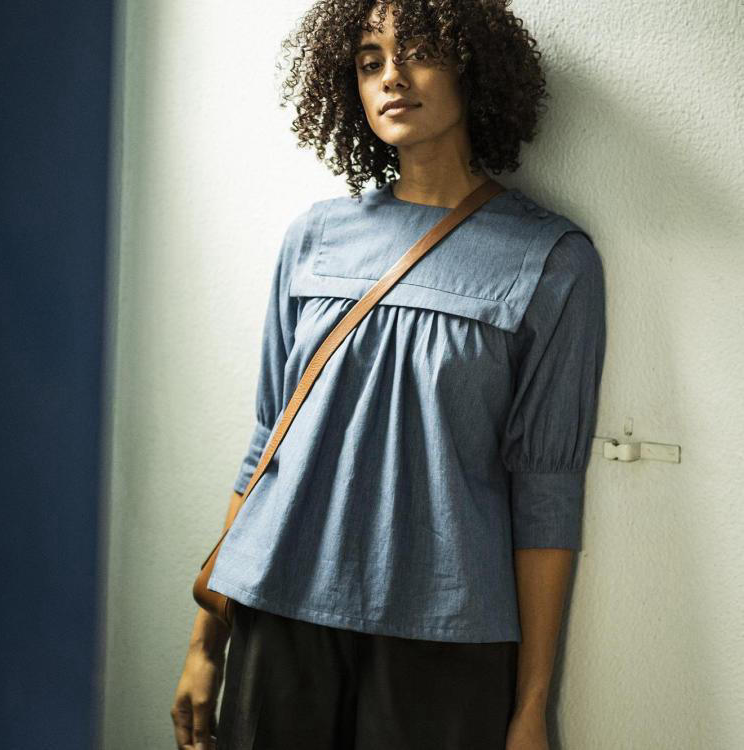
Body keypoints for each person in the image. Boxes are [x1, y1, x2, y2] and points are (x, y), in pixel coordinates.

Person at [171, 1, 607, 748]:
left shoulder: (551, 260)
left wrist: (532, 705)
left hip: (446, 636)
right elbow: (267, 449)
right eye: (370, 62)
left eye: (418, 53)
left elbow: (547, 492)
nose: (391, 78)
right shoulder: (315, 237)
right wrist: (205, 643)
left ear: (472, 68)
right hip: (281, 611)